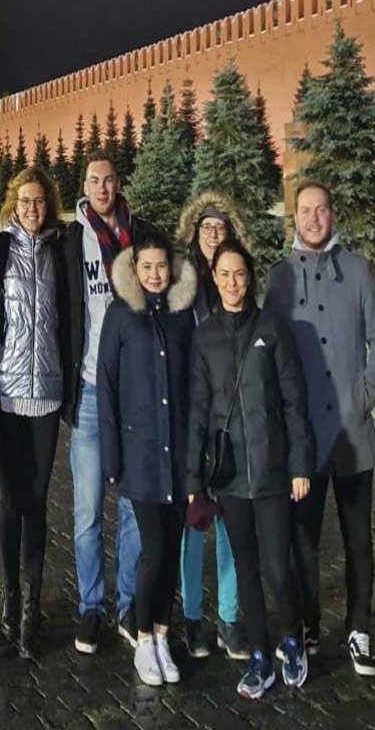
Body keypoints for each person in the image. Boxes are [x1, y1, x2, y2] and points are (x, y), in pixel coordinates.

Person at [265, 181, 375, 677]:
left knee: (358, 537)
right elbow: (271, 351)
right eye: (305, 211)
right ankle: (308, 624)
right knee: (304, 540)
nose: (314, 219)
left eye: (321, 210)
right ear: (293, 218)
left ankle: (359, 627)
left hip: (353, 433)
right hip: (305, 438)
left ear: (332, 214)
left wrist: (361, 399)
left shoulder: (358, 270)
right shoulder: (279, 278)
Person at [186, 239, 314, 700]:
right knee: (245, 569)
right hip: (231, 475)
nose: (232, 282)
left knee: (279, 569)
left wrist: (300, 464)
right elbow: (197, 411)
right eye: (224, 274)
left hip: (274, 472)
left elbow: (294, 403)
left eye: (240, 274)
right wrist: (193, 482)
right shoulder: (204, 337)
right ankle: (261, 655)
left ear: (250, 278)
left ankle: (293, 640)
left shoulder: (272, 329)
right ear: (214, 278)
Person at [98, 231, 198, 686]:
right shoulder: (121, 316)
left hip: (177, 455)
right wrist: (112, 458)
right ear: (134, 270)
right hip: (140, 455)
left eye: (162, 266)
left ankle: (161, 634)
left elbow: (195, 389)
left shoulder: (182, 317)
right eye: (147, 267)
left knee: (171, 549)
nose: (155, 275)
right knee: (153, 549)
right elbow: (107, 389)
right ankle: (142, 636)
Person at [62, 150, 147, 654]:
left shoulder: (141, 234)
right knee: (88, 512)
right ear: (85, 186)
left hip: (136, 394)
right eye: (94, 180)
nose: (102, 187)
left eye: (109, 180)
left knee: (133, 509)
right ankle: (91, 606)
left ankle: (129, 602)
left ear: (118, 184)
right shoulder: (73, 240)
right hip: (91, 390)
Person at [0, 167, 68, 659]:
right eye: (25, 201)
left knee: (37, 502)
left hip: (48, 394)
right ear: (13, 205)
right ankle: (11, 595)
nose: (33, 209)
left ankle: (31, 606)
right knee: (10, 502)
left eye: (40, 201)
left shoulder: (61, 250)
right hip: (5, 395)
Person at [172, 192, 250, 661]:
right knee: (194, 519)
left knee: (230, 522)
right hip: (192, 413)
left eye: (220, 228)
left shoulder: (239, 281)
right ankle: (192, 618)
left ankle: (230, 616)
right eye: (206, 228)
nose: (213, 235)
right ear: (194, 232)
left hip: (233, 417)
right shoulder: (182, 284)